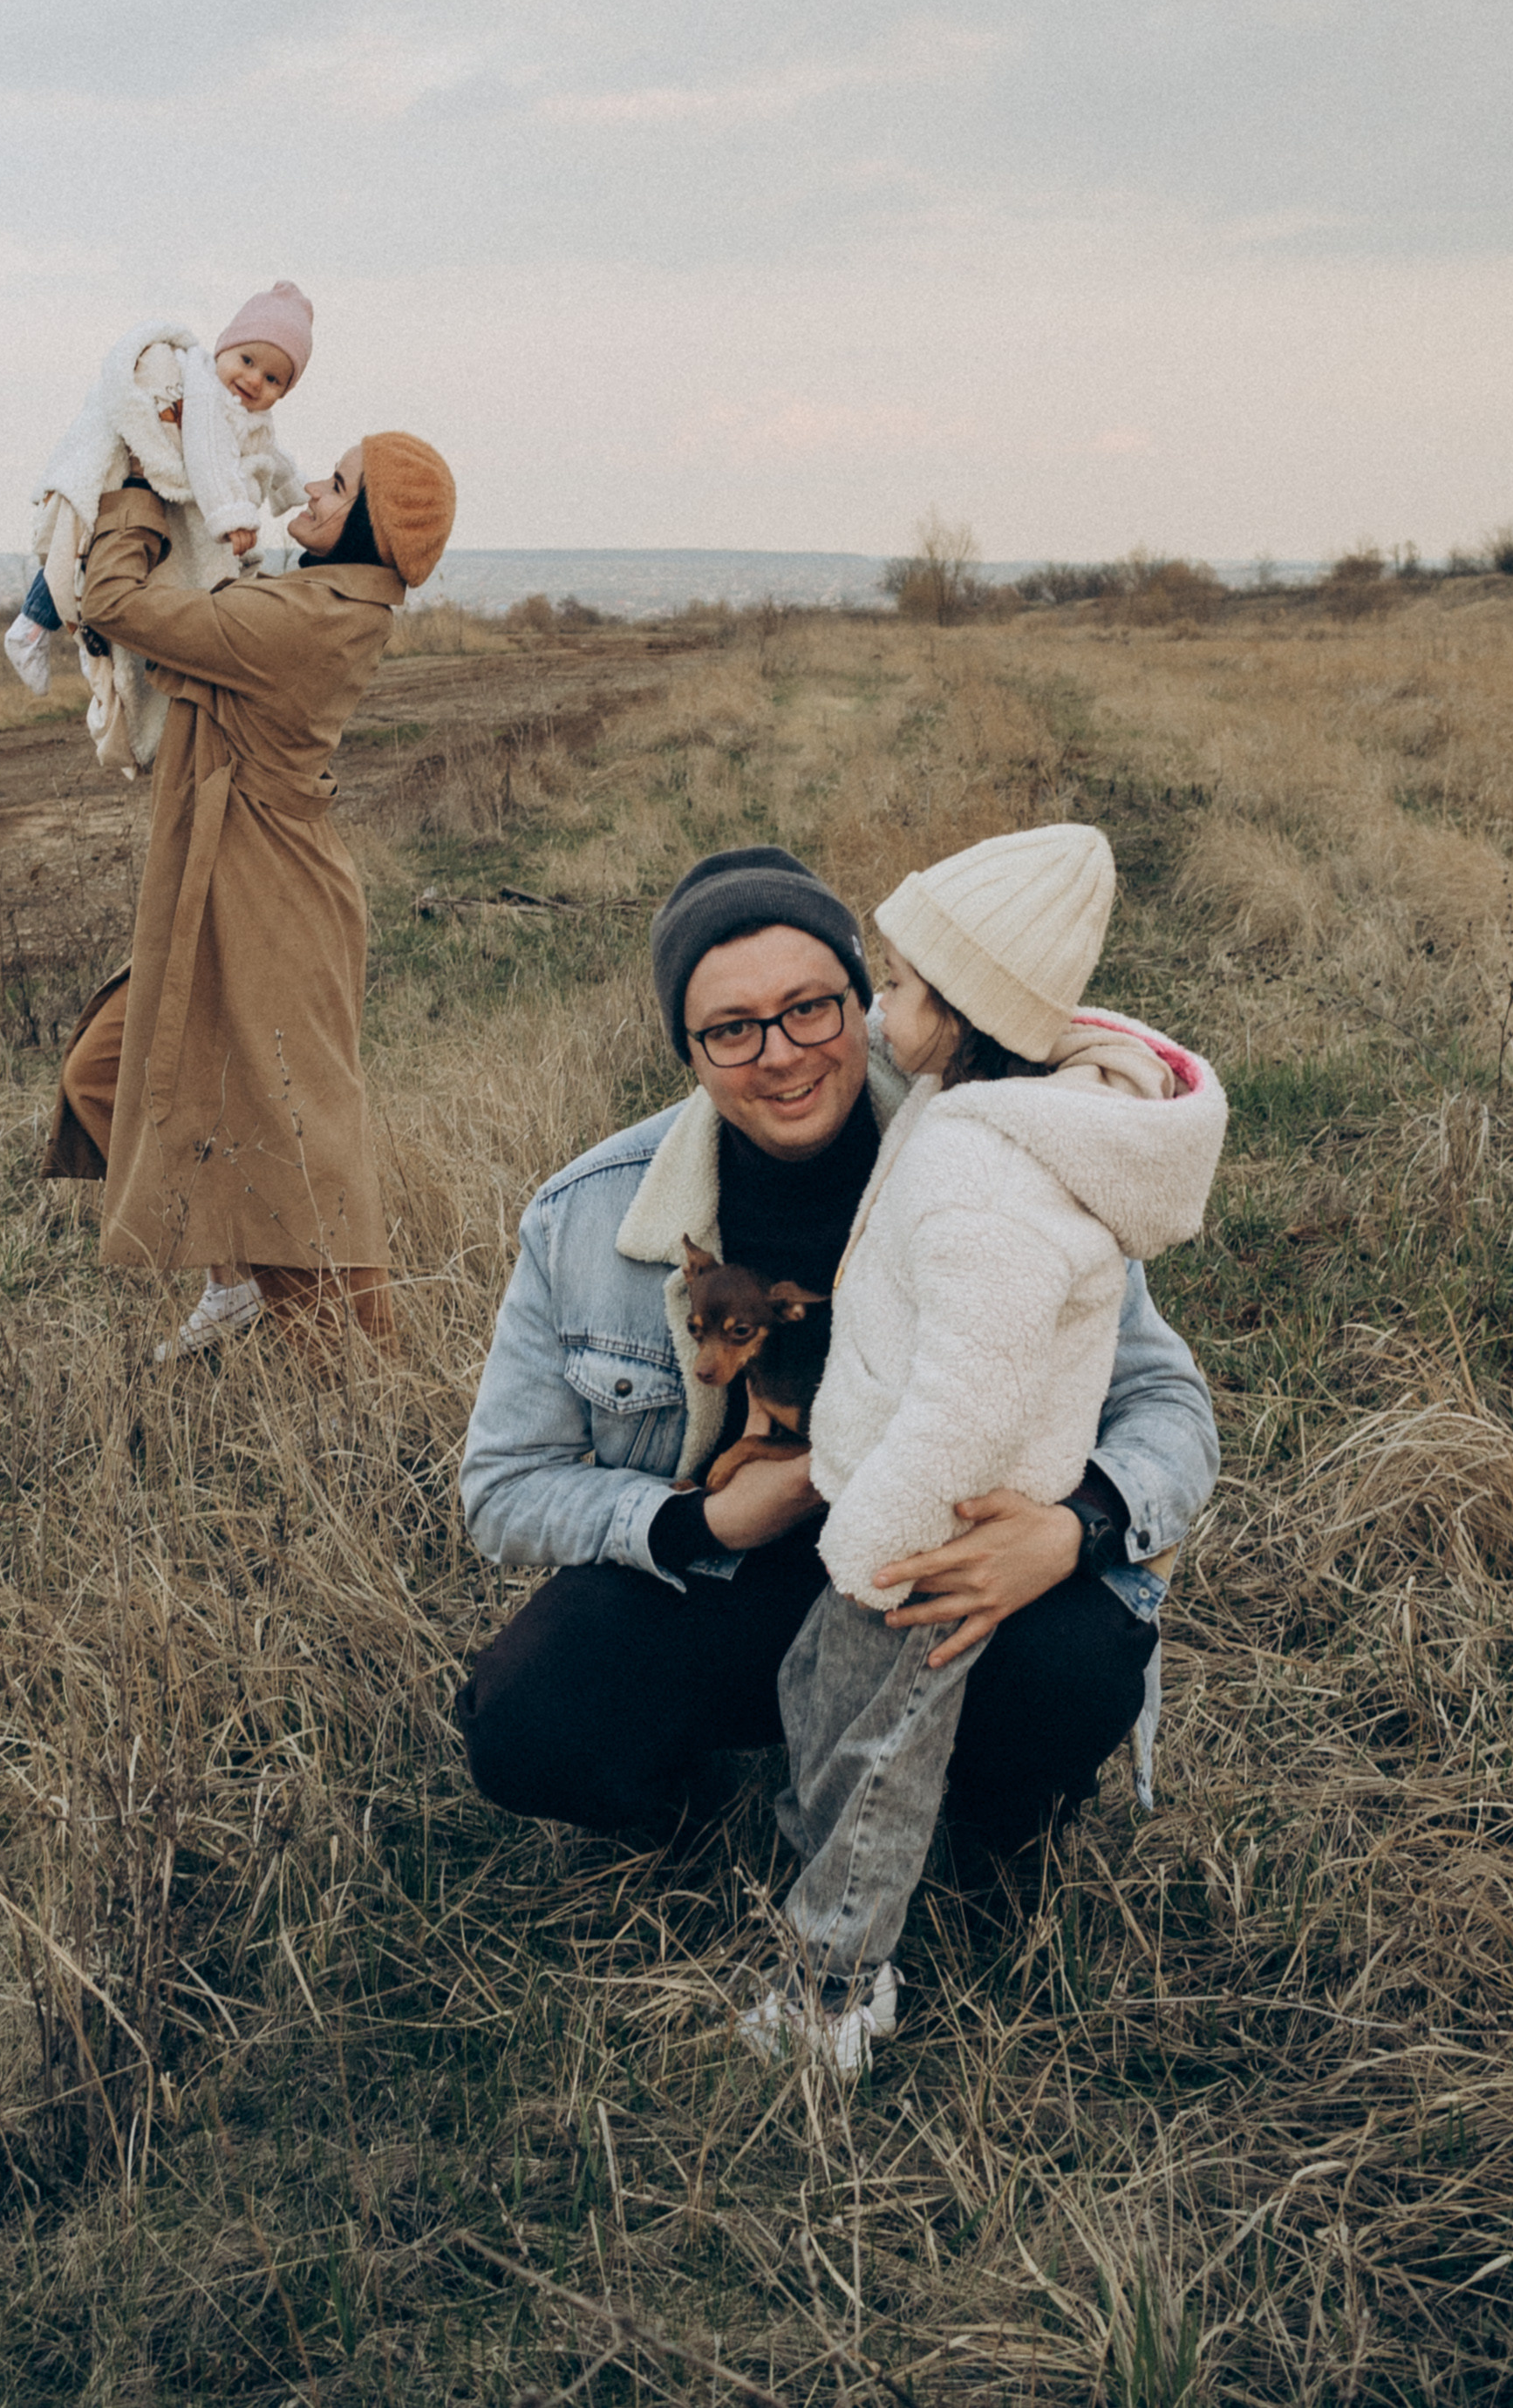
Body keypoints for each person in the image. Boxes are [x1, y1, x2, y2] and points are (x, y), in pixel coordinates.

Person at [454, 844, 1218, 2057]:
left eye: (811, 1005)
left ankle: (973, 1830)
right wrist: (695, 1524)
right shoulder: (589, 1215)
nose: (781, 1050)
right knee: (526, 1714)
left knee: (1079, 1655)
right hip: (737, 1574)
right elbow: (499, 1488)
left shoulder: (1004, 1155)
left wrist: (1067, 1530)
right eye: (731, 1028)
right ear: (688, 1050)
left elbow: (1169, 1404)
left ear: (868, 996)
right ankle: (718, 1784)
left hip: (943, 1569)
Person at [755, 825, 1227, 2071]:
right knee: (816, 1689)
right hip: (913, 1500)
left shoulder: (979, 1170)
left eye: (898, 986)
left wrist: (870, 1532)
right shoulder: (966, 1108)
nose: (872, 1009)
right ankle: (808, 1854)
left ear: (962, 1013)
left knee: (877, 1750)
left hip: (937, 1525)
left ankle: (835, 1985)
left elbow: (969, 1393)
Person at [38, 426, 455, 1354]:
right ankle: (232, 1279)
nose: (313, 485)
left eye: (338, 484)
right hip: (223, 878)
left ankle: (360, 1372)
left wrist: (140, 480)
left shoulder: (305, 618)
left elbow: (115, 599)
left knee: (301, 1135)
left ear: (372, 526)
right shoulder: (316, 594)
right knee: (104, 1072)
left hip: (272, 900)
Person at [3, 287, 313, 776]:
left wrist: (296, 491)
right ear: (223, 350)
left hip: (161, 503)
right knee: (77, 558)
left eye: (273, 377)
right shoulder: (205, 393)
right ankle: (33, 626)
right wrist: (232, 514)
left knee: (95, 563)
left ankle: (55, 636)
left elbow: (270, 456)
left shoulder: (251, 416)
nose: (254, 380)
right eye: (247, 359)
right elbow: (209, 454)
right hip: (141, 482)